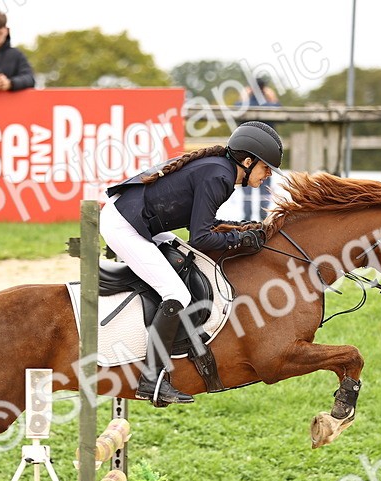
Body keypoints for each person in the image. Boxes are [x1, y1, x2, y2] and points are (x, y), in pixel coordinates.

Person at [102, 121, 282, 407]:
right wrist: (241, 240)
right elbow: (200, 237)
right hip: (126, 225)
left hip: (141, 220)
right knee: (177, 294)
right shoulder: (219, 177)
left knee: (185, 267)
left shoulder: (221, 172)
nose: (268, 174)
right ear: (247, 162)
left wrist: (243, 230)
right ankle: (151, 380)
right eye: (266, 167)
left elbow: (205, 225)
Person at [237, 75, 281, 220]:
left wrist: (244, 97)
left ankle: (246, 220)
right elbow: (280, 111)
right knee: (265, 186)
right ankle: (263, 220)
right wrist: (273, 98)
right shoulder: (270, 105)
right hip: (267, 152)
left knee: (247, 184)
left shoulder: (245, 104)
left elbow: (236, 109)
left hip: (248, 152)